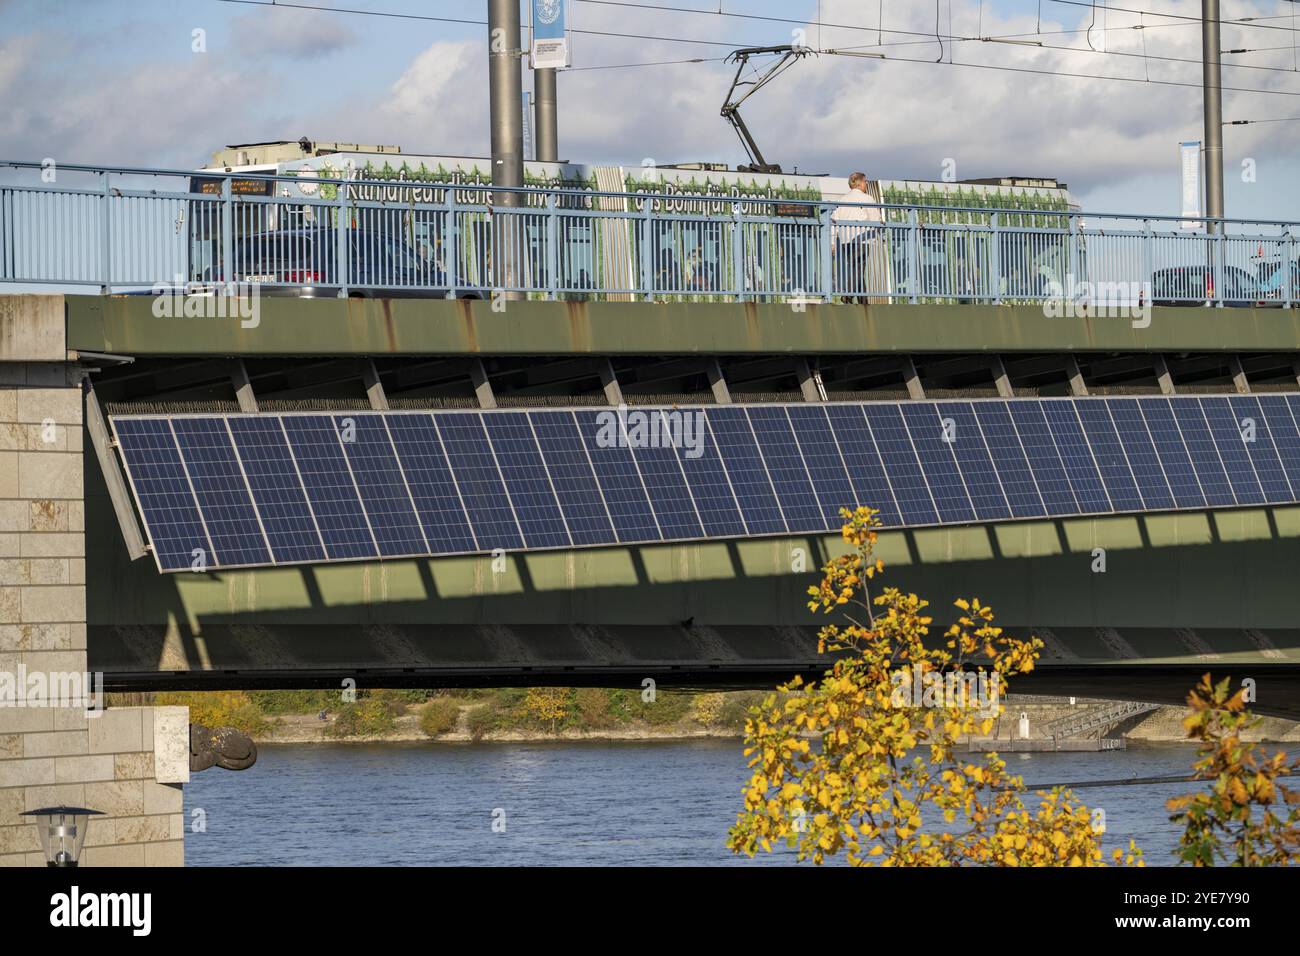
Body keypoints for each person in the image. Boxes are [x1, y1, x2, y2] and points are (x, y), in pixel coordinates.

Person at [831, 172, 889, 303]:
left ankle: (863, 301)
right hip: (863, 240)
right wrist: (883, 236)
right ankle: (848, 295)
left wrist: (833, 242)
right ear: (860, 183)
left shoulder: (841, 200)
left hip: (846, 241)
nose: (867, 184)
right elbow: (876, 219)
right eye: (865, 181)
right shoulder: (867, 199)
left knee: (856, 268)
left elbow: (833, 221)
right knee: (858, 268)